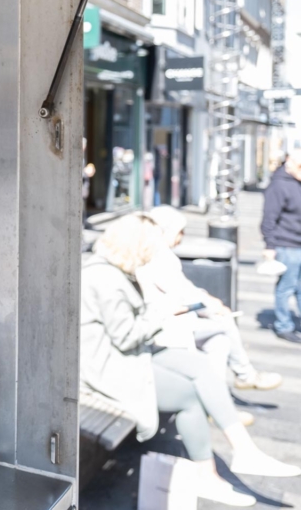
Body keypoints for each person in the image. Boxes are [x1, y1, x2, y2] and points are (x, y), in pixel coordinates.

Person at [81, 214, 299, 507]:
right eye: (149, 247)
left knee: (199, 366)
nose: (151, 255)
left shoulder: (114, 272)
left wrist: (159, 310)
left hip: (126, 356)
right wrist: (161, 313)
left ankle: (245, 450)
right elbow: (126, 336)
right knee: (189, 395)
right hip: (110, 367)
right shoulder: (105, 277)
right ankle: (207, 476)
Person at [141, 206, 282, 393]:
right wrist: (211, 306)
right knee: (225, 322)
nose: (182, 237)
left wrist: (206, 301)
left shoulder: (156, 254)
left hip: (171, 318)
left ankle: (215, 398)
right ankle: (245, 375)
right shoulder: (160, 257)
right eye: (180, 231)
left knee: (220, 343)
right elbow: (183, 294)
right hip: (166, 323)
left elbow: (184, 289)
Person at [260, 154, 301, 343]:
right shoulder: (279, 185)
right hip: (287, 244)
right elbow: (269, 217)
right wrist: (270, 245)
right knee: (286, 286)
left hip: (297, 243)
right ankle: (284, 325)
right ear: (291, 165)